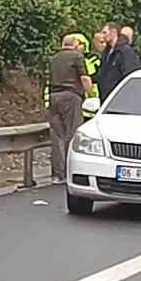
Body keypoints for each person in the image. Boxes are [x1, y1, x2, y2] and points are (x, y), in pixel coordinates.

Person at [47, 35, 93, 184]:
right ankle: (70, 172)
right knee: (72, 134)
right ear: (75, 44)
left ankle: (57, 175)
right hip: (71, 97)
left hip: (54, 97)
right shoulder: (77, 57)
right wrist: (90, 94)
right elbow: (84, 78)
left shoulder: (54, 58)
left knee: (57, 137)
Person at [95, 22, 138, 100]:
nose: (102, 36)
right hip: (106, 98)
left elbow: (129, 74)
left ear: (114, 32)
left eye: (105, 32)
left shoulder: (125, 51)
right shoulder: (106, 53)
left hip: (120, 98)